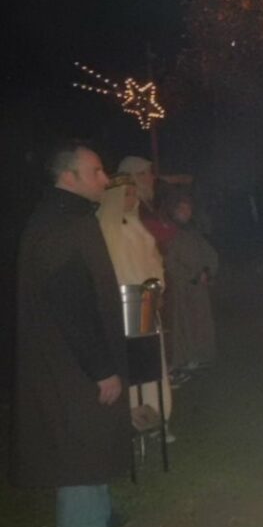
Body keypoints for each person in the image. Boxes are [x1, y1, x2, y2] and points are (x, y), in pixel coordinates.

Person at [11, 143, 133, 527]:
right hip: (70, 365)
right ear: (69, 177)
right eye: (95, 171)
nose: (105, 179)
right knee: (78, 443)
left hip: (73, 360)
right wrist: (102, 369)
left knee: (93, 435)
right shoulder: (59, 226)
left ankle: (100, 512)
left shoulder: (69, 218)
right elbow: (71, 306)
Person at [96, 173, 174, 440]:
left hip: (146, 302)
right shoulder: (105, 230)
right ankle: (131, 419)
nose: (132, 199)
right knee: (131, 364)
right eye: (126, 194)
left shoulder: (136, 225)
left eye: (133, 193)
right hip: (124, 305)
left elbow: (153, 261)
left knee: (150, 361)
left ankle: (156, 415)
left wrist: (156, 287)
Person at [163, 193, 219, 379]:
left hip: (198, 288)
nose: (186, 212)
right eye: (182, 208)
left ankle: (199, 356)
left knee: (199, 323)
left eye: (188, 208)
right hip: (180, 289)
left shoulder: (193, 232)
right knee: (183, 325)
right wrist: (191, 275)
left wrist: (207, 271)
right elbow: (170, 263)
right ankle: (183, 360)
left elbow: (210, 254)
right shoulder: (170, 232)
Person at [117, 155, 177, 254]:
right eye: (142, 174)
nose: (150, 177)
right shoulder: (131, 207)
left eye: (149, 172)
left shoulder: (151, 199)